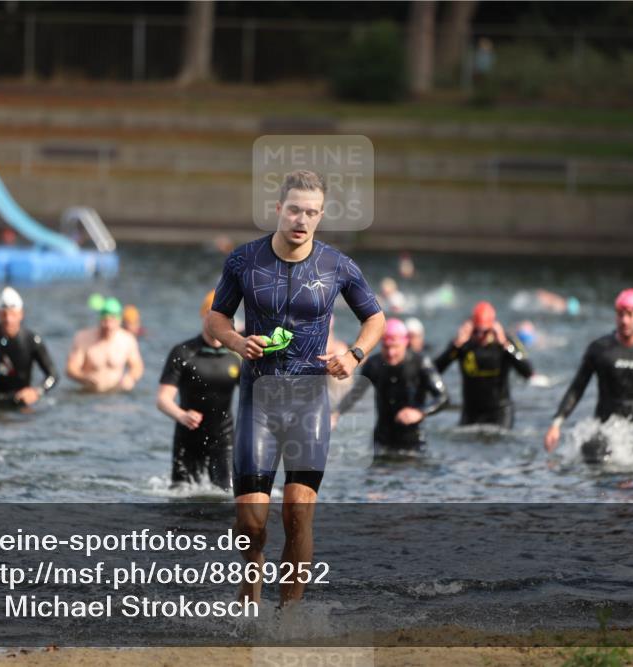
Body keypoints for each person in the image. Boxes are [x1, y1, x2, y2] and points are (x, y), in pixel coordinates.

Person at [205, 169, 385, 607]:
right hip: (257, 402)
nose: (301, 220)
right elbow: (215, 319)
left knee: (297, 515)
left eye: (311, 212)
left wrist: (354, 356)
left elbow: (375, 319)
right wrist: (235, 340)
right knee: (250, 520)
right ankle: (249, 600)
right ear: (278, 209)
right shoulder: (244, 261)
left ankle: (290, 614)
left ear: (320, 216)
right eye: (294, 210)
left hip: (309, 403)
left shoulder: (338, 266)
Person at [544, 288, 633, 461]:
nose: (624, 320)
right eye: (620, 314)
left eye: (630, 314)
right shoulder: (599, 349)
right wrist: (556, 424)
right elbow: (577, 388)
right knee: (594, 456)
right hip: (605, 431)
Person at [156, 291, 241, 490]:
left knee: (225, 496)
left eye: (224, 317)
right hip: (188, 438)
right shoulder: (183, 352)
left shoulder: (236, 355)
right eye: (213, 315)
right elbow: (162, 399)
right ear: (205, 316)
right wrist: (181, 415)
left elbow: (254, 396)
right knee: (182, 499)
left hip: (224, 439)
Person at [332, 319, 448, 451]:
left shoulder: (421, 363)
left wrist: (420, 412)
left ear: (405, 343)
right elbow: (356, 393)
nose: (391, 353)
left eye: (395, 347)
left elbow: (443, 398)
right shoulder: (374, 364)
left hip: (413, 441)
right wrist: (337, 413)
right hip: (382, 440)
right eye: (386, 347)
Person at [435, 301, 533, 428]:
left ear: (493, 327)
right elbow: (435, 371)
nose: (480, 336)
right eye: (476, 331)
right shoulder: (462, 343)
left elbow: (528, 372)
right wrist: (455, 346)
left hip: (500, 411)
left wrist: (505, 346)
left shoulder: (506, 342)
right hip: (471, 411)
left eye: (485, 332)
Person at [0, 287, 58, 408]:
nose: (8, 320)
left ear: (21, 314)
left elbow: (53, 375)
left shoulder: (32, 340)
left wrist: (37, 391)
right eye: (4, 314)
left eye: (13, 314)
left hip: (21, 399)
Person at [66, 296, 143, 393]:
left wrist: (130, 377)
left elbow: (137, 366)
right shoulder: (83, 338)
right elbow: (71, 369)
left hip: (116, 393)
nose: (108, 326)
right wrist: (84, 378)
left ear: (119, 321)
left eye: (112, 321)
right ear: (100, 320)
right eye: (105, 321)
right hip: (90, 393)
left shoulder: (127, 340)